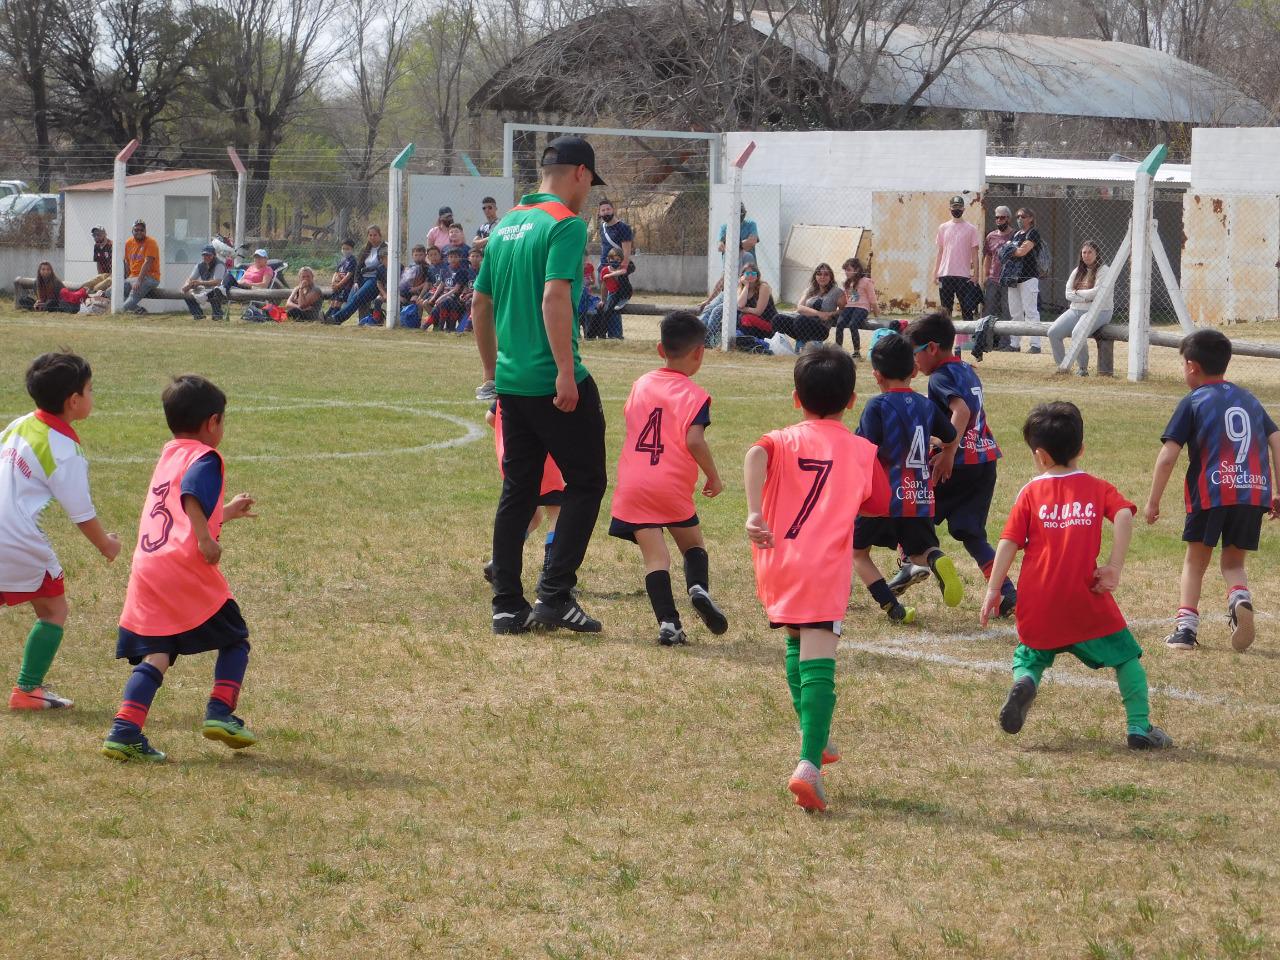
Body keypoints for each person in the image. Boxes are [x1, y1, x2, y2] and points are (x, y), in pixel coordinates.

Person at [471, 135, 608, 634]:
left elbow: (479, 305)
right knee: (586, 482)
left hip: (511, 383)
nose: (588, 193)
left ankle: (506, 603)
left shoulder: (506, 223)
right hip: (553, 382)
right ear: (580, 174)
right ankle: (554, 595)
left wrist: (491, 373)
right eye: (590, 182)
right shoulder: (566, 225)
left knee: (519, 490)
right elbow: (555, 298)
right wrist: (565, 374)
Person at [744, 346, 889, 812]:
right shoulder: (861, 450)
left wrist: (752, 512)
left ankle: (816, 735)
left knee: (794, 640)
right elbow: (880, 503)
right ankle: (809, 764)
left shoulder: (781, 439)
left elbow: (753, 453)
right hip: (823, 567)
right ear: (851, 401)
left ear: (795, 397)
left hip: (778, 560)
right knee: (820, 653)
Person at [983, 401, 1173, 751]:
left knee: (1030, 656)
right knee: (1126, 657)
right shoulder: (1097, 487)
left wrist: (994, 588)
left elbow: (1008, 541)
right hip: (1085, 596)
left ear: (1039, 456)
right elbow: (1125, 517)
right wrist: (1114, 566)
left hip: (1038, 598)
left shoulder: (1030, 492)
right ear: (1081, 448)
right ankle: (1139, 727)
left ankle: (1025, 682)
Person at [100, 375, 259, 763]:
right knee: (235, 637)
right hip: (184, 564)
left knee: (159, 650)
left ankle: (124, 731)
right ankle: (221, 712)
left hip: (148, 564)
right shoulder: (206, 457)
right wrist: (206, 540)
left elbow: (178, 513)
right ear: (213, 422)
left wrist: (227, 514)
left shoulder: (169, 452)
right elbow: (191, 492)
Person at [1143, 329, 1280, 653]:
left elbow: (1168, 457)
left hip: (1212, 492)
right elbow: (1276, 440)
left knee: (1195, 562)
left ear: (1191, 366)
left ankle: (1186, 631)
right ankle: (1239, 597)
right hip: (1251, 492)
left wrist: (1153, 501)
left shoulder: (1193, 401)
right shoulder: (1249, 398)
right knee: (1233, 563)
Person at [2, 353, 120, 711]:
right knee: (53, 608)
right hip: (14, 537)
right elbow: (81, 512)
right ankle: (27, 691)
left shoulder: (20, 424)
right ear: (73, 401)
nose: (92, 396)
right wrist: (106, 545)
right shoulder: (64, 449)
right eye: (90, 390)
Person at [610, 311, 726, 646]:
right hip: (671, 485)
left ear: (661, 349)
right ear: (699, 353)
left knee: (656, 558)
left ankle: (669, 624)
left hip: (634, 484)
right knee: (692, 545)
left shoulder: (640, 384)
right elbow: (693, 440)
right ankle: (698, 588)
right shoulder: (695, 395)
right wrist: (713, 476)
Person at [903, 311, 1018, 615]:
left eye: (914, 354)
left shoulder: (940, 377)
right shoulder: (965, 369)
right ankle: (1005, 592)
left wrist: (949, 451)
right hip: (984, 460)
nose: (913, 362)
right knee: (970, 531)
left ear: (931, 348)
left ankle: (912, 563)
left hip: (959, 463)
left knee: (913, 511)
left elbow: (962, 412)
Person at [853, 332, 962, 624]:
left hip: (882, 496)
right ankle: (938, 560)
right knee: (921, 552)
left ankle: (893, 608)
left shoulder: (877, 406)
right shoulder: (926, 405)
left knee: (858, 553)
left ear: (876, 375)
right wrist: (942, 449)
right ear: (914, 371)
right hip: (919, 494)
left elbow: (864, 448)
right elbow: (951, 436)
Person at [482, 398, 563, 586]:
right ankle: (550, 573)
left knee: (532, 516)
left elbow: (490, 417)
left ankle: (500, 563)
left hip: (511, 457)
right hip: (540, 458)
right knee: (558, 511)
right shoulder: (539, 386)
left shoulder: (510, 385)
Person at [1047, 241, 1113, 376]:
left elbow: (1098, 293)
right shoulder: (1077, 271)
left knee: (1078, 332)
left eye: (1090, 252)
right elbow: (1067, 294)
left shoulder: (1104, 270)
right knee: (1053, 332)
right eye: (1084, 252)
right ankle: (1062, 368)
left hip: (1100, 311)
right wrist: (1085, 297)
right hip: (1075, 310)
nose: (1086, 255)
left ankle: (1082, 369)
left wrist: (1077, 294)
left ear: (1097, 254)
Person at [325, 226, 387, 325]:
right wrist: (356, 282)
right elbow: (358, 267)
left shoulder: (385, 247)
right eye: (370, 235)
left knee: (357, 298)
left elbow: (383, 266)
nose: (372, 237)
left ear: (380, 235)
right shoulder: (366, 249)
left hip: (375, 280)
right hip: (363, 278)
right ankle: (334, 317)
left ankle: (336, 319)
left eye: (375, 235)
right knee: (351, 299)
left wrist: (368, 269)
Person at [935, 195, 981, 325]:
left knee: (967, 310)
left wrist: (976, 275)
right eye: (954, 207)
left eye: (959, 207)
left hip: (963, 276)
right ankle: (946, 342)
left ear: (964, 209)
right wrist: (936, 273)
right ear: (950, 208)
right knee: (945, 311)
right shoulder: (943, 227)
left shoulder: (971, 229)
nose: (957, 209)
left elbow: (975, 254)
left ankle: (965, 342)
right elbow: (940, 252)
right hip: (945, 274)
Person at [772, 263, 844, 344]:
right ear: (815, 276)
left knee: (800, 319)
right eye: (819, 274)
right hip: (800, 325)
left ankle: (803, 347)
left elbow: (844, 310)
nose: (822, 277)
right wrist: (819, 314)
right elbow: (799, 308)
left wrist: (830, 314)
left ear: (831, 277)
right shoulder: (810, 290)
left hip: (821, 328)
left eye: (826, 274)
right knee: (777, 318)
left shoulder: (837, 292)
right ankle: (780, 345)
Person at [1005, 207, 1044, 353]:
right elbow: (1004, 251)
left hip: (1028, 277)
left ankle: (1036, 345)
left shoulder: (1033, 233)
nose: (1019, 219)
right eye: (1018, 216)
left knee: (1031, 311)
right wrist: (1010, 249)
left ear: (1030, 218)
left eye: (1023, 216)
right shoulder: (1016, 234)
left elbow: (1022, 251)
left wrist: (1010, 250)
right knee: (1015, 312)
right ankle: (1014, 344)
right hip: (1014, 277)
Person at [982, 206, 1015, 351]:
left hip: (1008, 280)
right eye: (997, 217)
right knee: (989, 311)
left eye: (1002, 217)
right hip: (993, 279)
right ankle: (987, 343)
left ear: (1008, 218)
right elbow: (987, 256)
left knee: (1007, 312)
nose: (999, 220)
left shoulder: (1016, 235)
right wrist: (985, 276)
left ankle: (1005, 343)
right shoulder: (990, 236)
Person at [835, 257, 879, 356]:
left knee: (853, 324)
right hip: (850, 307)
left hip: (862, 307)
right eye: (845, 270)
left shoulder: (866, 281)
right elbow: (850, 299)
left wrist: (876, 312)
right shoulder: (848, 283)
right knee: (840, 323)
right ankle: (837, 349)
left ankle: (856, 351)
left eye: (849, 270)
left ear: (857, 270)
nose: (846, 272)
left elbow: (872, 298)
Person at [427, 246, 471, 333]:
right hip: (445, 296)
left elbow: (456, 289)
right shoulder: (445, 270)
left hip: (456, 298)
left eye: (455, 257)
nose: (453, 259)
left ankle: (444, 327)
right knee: (438, 305)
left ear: (460, 258)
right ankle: (432, 326)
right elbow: (442, 284)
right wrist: (435, 296)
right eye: (451, 257)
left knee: (444, 302)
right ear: (447, 259)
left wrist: (442, 297)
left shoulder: (461, 271)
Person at [595, 246, 635, 339]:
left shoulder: (622, 269)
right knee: (606, 310)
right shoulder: (604, 270)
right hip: (613, 293)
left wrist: (611, 274)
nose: (615, 261)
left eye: (618, 259)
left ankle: (616, 335)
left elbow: (624, 271)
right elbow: (604, 287)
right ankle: (602, 333)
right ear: (608, 259)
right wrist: (603, 300)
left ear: (621, 260)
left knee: (622, 276)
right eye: (612, 259)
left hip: (624, 292)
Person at [122, 219, 161, 314]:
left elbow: (148, 262)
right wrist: (127, 278)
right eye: (136, 230)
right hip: (132, 277)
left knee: (124, 306)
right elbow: (126, 261)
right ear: (132, 231)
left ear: (145, 231)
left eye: (141, 230)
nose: (139, 232)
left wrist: (139, 280)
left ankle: (122, 310)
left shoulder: (151, 242)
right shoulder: (128, 243)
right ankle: (139, 310)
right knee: (110, 292)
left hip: (149, 277)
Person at [181, 245, 228, 321]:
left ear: (214, 255)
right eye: (204, 255)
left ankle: (217, 315)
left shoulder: (219, 264)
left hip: (221, 289)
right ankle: (198, 315)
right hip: (205, 288)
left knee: (215, 292)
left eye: (209, 255)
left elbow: (217, 282)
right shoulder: (199, 265)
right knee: (186, 294)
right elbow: (190, 279)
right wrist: (187, 285)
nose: (206, 257)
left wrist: (199, 283)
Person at [597, 198, 632, 270]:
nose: (606, 212)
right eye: (603, 210)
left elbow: (626, 254)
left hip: (616, 268)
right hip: (603, 268)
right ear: (600, 213)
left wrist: (621, 269)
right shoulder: (602, 228)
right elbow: (603, 247)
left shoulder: (624, 227)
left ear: (613, 210)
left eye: (608, 209)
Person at [326, 238, 357, 318]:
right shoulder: (342, 260)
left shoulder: (352, 260)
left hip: (346, 287)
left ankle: (334, 318)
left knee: (338, 302)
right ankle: (327, 316)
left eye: (347, 249)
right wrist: (333, 283)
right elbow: (336, 272)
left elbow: (348, 276)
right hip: (337, 286)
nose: (345, 250)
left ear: (352, 249)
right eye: (343, 248)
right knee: (333, 302)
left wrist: (339, 285)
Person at [85, 226, 113, 293]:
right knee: (89, 283)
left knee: (97, 287)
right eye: (94, 235)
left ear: (105, 234)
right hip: (103, 274)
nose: (96, 237)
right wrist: (100, 275)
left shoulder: (111, 245)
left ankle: (93, 292)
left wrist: (110, 276)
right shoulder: (96, 246)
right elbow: (98, 262)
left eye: (98, 234)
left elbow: (116, 264)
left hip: (112, 274)